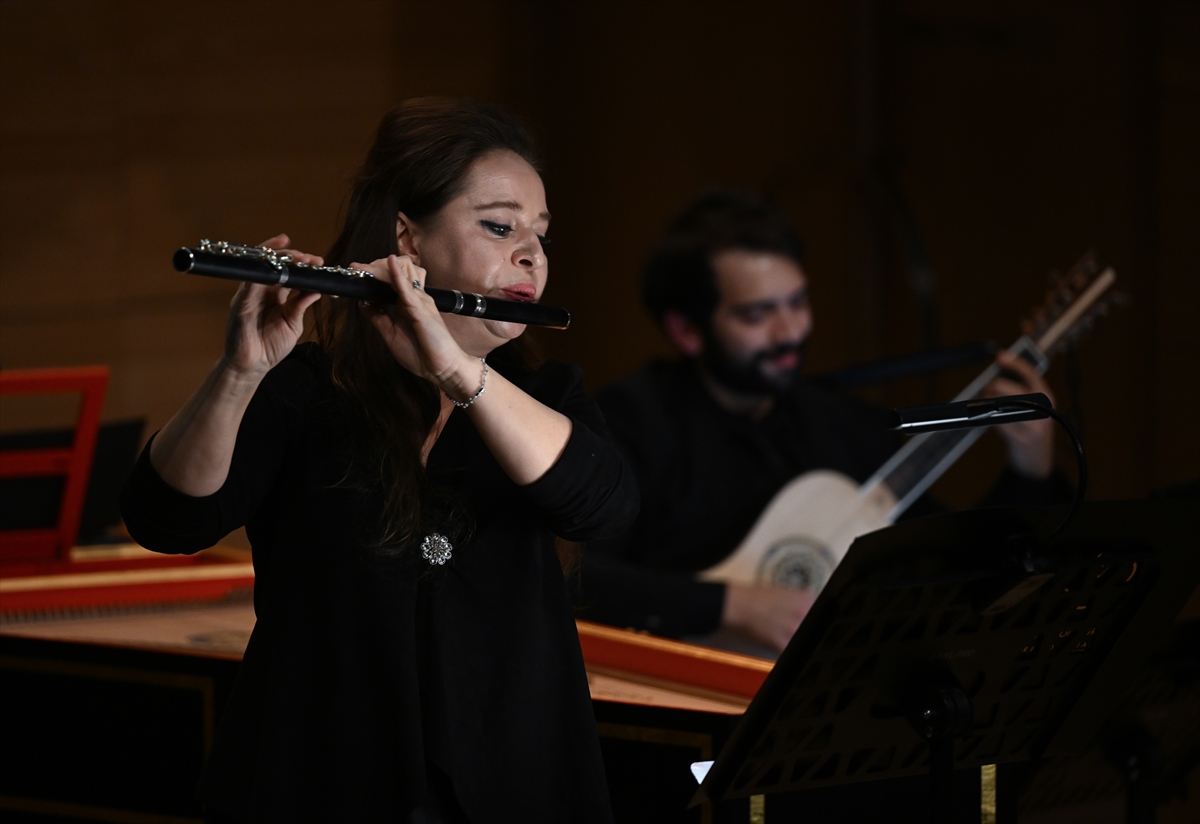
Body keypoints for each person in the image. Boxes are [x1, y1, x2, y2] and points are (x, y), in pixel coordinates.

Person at [121, 99, 638, 824]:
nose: (531, 255)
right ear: (408, 240)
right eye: (499, 226)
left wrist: (460, 373)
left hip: (516, 796)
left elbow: (603, 503)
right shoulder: (306, 391)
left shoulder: (547, 397)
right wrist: (240, 373)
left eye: (541, 234)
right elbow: (166, 519)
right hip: (315, 788)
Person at [574, 189, 1070, 655]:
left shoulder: (837, 425)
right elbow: (573, 575)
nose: (791, 331)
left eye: (798, 302)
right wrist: (733, 605)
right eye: (757, 315)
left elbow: (966, 573)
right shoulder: (633, 421)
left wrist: (1031, 467)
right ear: (686, 330)